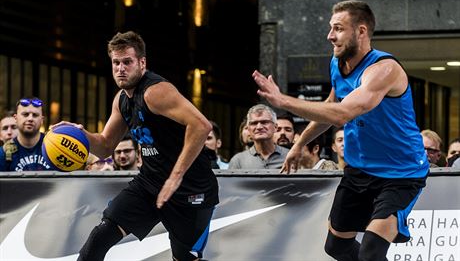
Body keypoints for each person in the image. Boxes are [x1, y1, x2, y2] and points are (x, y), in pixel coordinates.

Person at [252, 0, 429, 260]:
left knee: (371, 251)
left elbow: (344, 113)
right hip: (359, 170)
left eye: (338, 28)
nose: (329, 36)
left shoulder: (384, 70)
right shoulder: (337, 64)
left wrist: (283, 101)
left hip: (400, 173)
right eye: (330, 28)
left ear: (361, 31)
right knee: (336, 247)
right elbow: (331, 107)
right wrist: (300, 144)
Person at [53, 31, 219, 261]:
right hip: (149, 185)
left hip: (190, 189)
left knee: (185, 258)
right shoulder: (121, 100)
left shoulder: (155, 92)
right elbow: (104, 147)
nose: (121, 68)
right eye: (116, 62)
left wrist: (175, 176)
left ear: (142, 63)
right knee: (99, 238)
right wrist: (78, 134)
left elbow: (201, 125)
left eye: (127, 62)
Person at [228, 104, 289, 169]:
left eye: (264, 122)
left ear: (275, 127)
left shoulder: (290, 156)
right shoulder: (238, 161)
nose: (259, 127)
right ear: (249, 129)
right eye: (254, 123)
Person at [0, 97, 52, 171]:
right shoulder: (4, 153)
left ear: (42, 120)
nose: (30, 118)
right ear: (16, 118)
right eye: (25, 114)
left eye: (35, 115)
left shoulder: (54, 145)